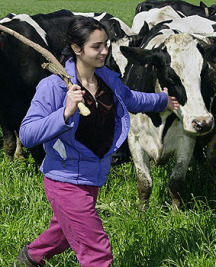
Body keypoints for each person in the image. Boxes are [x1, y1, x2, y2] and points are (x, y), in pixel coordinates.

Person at [14, 16, 179, 267]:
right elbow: (27, 134)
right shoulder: (54, 87)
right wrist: (65, 112)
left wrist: (161, 101)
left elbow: (130, 99)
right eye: (96, 46)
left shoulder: (107, 78)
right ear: (76, 48)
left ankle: (30, 258)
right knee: (97, 252)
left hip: (93, 176)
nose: (104, 52)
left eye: (106, 45)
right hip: (65, 180)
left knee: (64, 234)